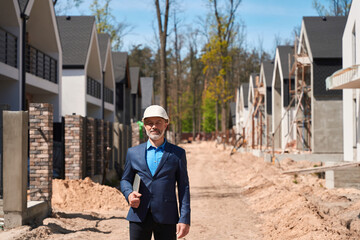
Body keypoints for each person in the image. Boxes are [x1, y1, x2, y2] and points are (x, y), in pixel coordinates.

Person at [121, 105, 191, 240]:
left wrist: (184, 218)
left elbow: (184, 188)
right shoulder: (133, 153)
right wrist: (129, 194)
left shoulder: (177, 154)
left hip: (167, 217)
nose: (154, 126)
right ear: (145, 126)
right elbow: (125, 180)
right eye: (149, 123)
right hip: (139, 216)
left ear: (166, 124)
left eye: (158, 122)